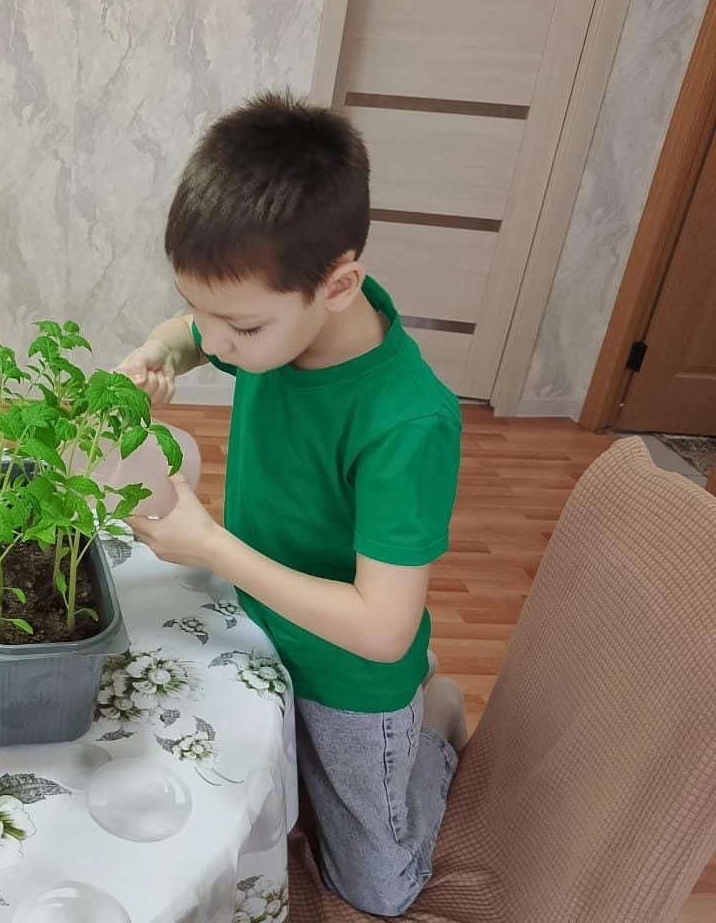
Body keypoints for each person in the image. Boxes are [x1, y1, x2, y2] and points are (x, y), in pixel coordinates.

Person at [118, 92, 466, 916]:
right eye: (199, 310)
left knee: (377, 888)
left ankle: (434, 721)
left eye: (237, 328)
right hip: (256, 623)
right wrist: (160, 349)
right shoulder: (274, 322)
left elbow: (381, 631)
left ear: (338, 285)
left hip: (350, 677)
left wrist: (212, 547)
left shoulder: (406, 422)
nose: (216, 341)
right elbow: (200, 330)